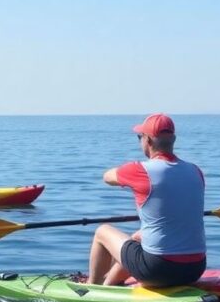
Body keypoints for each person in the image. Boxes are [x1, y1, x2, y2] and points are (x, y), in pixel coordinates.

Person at [85, 113, 206, 287]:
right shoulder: (196, 172)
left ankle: (92, 288)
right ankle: (109, 284)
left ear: (147, 140)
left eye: (140, 137)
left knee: (102, 232)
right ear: (173, 140)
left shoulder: (139, 170)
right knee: (137, 238)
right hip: (195, 269)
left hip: (158, 269)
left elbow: (107, 177)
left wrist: (127, 173)